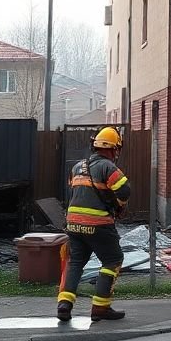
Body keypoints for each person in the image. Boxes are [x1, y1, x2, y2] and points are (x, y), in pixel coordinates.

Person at [57, 126, 131, 322]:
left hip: (73, 224)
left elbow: (74, 192)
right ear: (113, 149)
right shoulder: (108, 167)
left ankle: (64, 304)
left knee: (76, 263)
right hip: (98, 223)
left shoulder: (76, 167)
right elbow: (124, 190)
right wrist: (119, 206)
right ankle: (100, 307)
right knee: (112, 260)